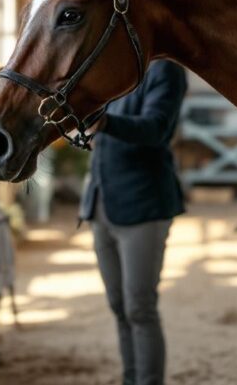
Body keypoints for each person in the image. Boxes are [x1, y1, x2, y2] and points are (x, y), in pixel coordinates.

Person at [79, 59, 188, 385]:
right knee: (119, 307)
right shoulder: (114, 69)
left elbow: (156, 129)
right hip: (101, 204)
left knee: (140, 308)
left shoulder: (166, 70)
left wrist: (103, 122)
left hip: (144, 204)